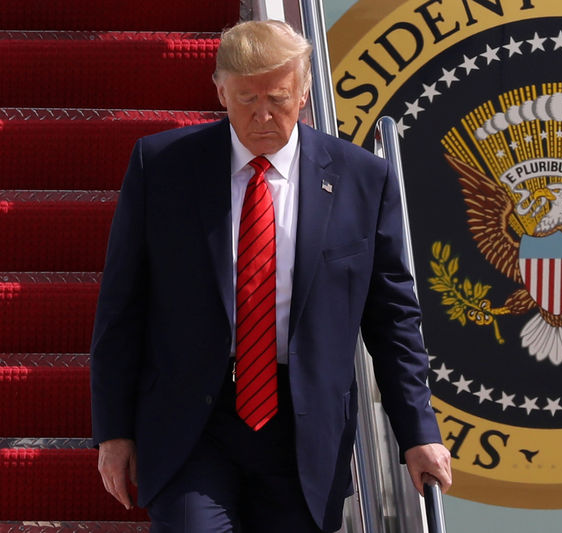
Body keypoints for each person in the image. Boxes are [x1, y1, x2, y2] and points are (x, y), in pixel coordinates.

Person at [90, 19, 451, 533]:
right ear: (219, 91)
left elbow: (393, 317)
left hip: (304, 428)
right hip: (193, 421)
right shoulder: (162, 166)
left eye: (278, 98)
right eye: (245, 99)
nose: (262, 115)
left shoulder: (362, 179)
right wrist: (114, 431)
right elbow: (122, 307)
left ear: (304, 92)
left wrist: (418, 431)